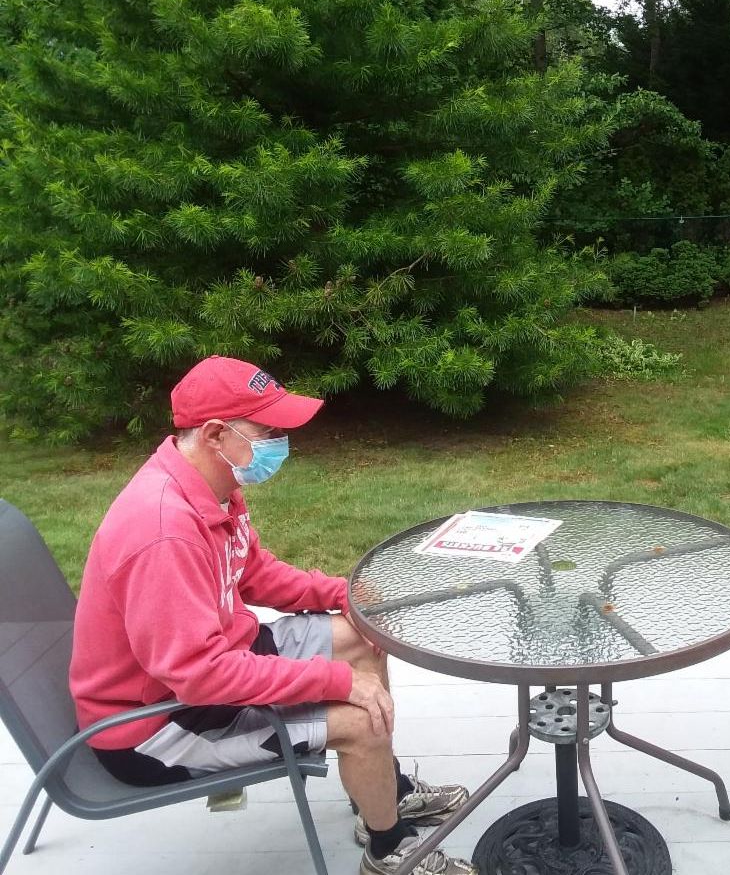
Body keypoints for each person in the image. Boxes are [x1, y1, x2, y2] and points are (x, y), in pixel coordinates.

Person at [70, 356, 476, 875]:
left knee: (361, 636)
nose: (282, 441)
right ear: (217, 433)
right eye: (268, 429)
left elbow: (255, 573)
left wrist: (343, 594)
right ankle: (389, 849)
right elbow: (197, 675)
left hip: (211, 668)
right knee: (359, 716)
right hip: (156, 725)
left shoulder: (211, 487)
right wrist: (335, 682)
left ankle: (380, 794)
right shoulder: (163, 531)